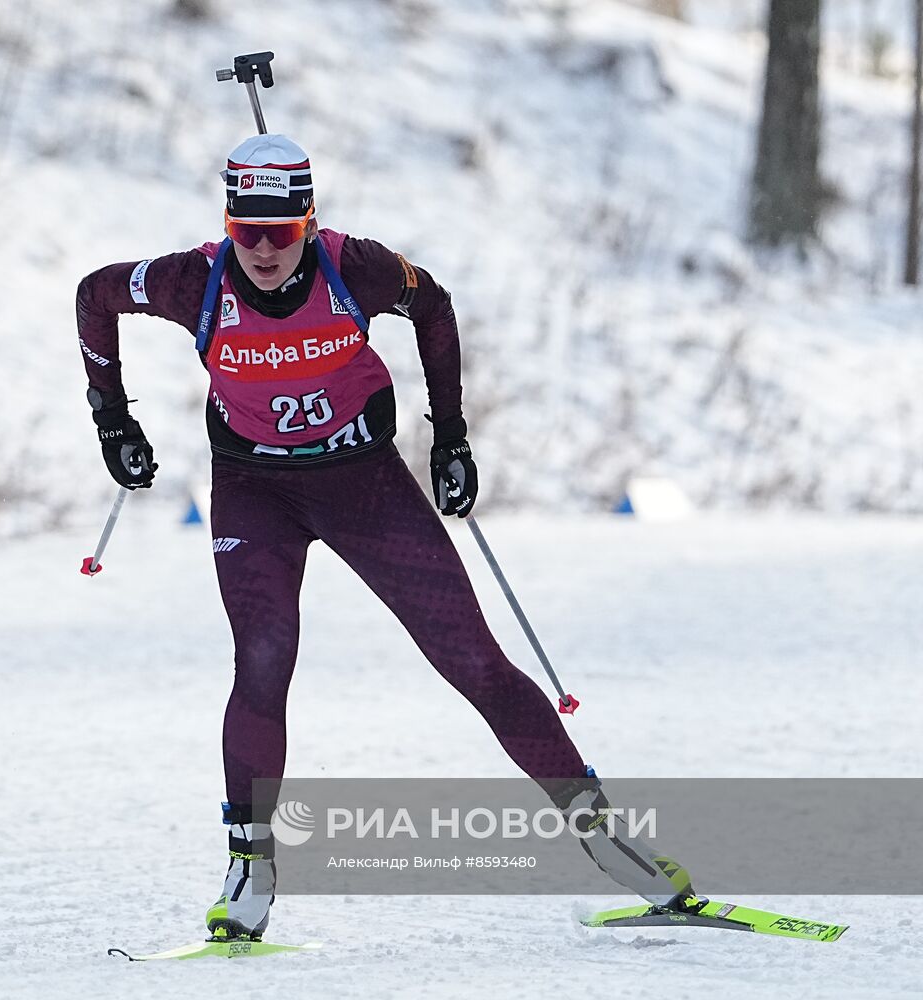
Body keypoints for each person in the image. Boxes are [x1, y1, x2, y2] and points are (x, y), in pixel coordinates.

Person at [75, 134, 693, 941]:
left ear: (309, 220)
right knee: (262, 658)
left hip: (360, 482)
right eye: (245, 230)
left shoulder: (354, 267)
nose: (261, 249)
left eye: (280, 231)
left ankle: (605, 836)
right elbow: (94, 295)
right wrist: (110, 420)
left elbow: (431, 306)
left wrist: (451, 438)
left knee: (471, 659)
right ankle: (249, 866)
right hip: (253, 489)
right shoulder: (191, 279)